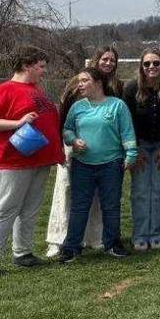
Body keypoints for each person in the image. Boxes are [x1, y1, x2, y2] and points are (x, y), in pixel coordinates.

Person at [0, 46, 63, 281]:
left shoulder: (36, 90)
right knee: (5, 209)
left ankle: (22, 252)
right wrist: (17, 123)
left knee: (30, 209)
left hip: (39, 160)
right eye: (40, 66)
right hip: (13, 161)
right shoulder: (5, 89)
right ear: (26, 65)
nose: (44, 71)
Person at [57, 67, 139, 262]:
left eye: (84, 80)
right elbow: (67, 130)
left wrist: (131, 154)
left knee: (111, 206)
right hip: (82, 166)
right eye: (79, 81)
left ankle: (112, 244)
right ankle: (71, 247)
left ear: (98, 83)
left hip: (111, 165)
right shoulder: (77, 107)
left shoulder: (117, 106)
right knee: (79, 207)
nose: (80, 84)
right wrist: (73, 140)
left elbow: (127, 133)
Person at [45, 62, 103, 258]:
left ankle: (92, 236)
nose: (108, 63)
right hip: (72, 146)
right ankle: (58, 239)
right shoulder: (73, 91)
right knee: (65, 189)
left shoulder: (111, 89)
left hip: (98, 150)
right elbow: (62, 121)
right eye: (105, 59)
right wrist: (63, 145)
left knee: (95, 195)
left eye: (112, 60)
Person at [121, 49, 160, 251]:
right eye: (147, 64)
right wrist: (133, 149)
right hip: (139, 145)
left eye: (156, 63)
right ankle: (141, 235)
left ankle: (157, 234)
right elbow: (127, 121)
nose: (152, 67)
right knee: (140, 191)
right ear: (141, 67)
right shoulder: (131, 88)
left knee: (159, 190)